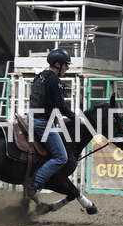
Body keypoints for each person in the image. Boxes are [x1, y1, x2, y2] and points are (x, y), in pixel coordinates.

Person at [26, 48, 83, 201]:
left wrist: (52, 115)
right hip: (42, 124)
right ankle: (34, 183)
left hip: (31, 118)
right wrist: (76, 118)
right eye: (66, 65)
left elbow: (39, 100)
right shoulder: (56, 81)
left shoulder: (39, 76)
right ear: (57, 64)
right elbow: (61, 106)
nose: (67, 68)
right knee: (61, 157)